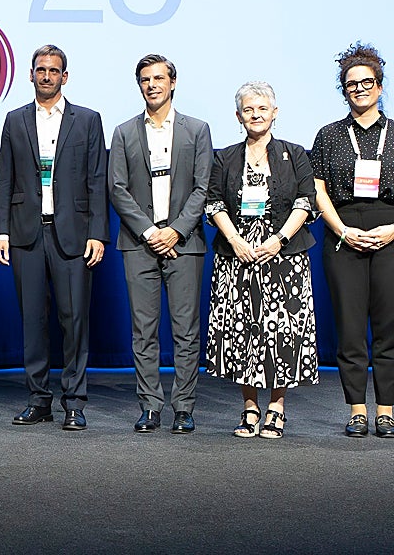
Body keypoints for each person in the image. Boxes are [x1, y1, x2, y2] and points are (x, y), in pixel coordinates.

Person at [0, 44, 108, 431]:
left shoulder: (87, 120)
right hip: (26, 234)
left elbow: (96, 180)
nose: (46, 76)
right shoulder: (14, 119)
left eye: (53, 70)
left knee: (74, 320)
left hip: (73, 236)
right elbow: (5, 179)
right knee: (32, 321)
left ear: (65, 76)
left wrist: (98, 234)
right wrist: (1, 232)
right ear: (30, 75)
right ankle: (38, 399)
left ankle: (74, 402)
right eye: (40, 70)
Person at [206, 81, 317, 439]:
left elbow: (305, 200)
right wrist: (235, 240)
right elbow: (213, 203)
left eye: (262, 108)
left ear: (275, 112)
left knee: (282, 332)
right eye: (249, 110)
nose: (256, 115)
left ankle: (277, 408)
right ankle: (250, 406)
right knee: (241, 332)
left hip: (283, 253)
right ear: (239, 116)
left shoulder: (295, 153)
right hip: (236, 252)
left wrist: (279, 239)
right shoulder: (225, 156)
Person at [108, 54, 212, 434]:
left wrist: (176, 231)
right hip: (139, 244)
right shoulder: (122, 132)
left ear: (172, 83)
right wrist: (151, 232)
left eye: (158, 78)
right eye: (145, 79)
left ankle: (183, 407)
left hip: (185, 243)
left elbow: (203, 187)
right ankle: (150, 405)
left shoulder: (197, 130)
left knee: (186, 330)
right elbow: (117, 189)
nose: (152, 85)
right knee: (144, 330)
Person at [311, 43, 394, 438]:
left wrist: (393, 229)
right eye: (351, 85)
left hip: (390, 231)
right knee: (348, 327)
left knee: (388, 326)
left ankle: (387, 410)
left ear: (380, 86)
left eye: (366, 82)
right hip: (343, 234)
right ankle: (358, 410)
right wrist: (342, 230)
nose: (359, 89)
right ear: (343, 91)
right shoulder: (328, 135)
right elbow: (318, 191)